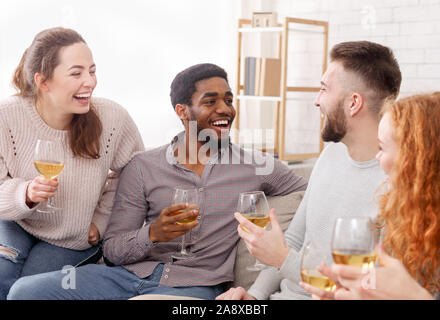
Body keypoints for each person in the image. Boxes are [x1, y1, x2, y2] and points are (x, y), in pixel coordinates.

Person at [7, 63, 308, 300]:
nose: (225, 110)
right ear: (182, 111)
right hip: (126, 277)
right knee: (25, 291)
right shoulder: (143, 166)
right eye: (211, 101)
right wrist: (152, 233)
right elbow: (112, 249)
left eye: (229, 100)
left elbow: (310, 195)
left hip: (195, 286)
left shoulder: (255, 166)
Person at [217, 41, 402, 300]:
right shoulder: (331, 154)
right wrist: (254, 295)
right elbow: (293, 239)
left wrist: (282, 258)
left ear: (353, 103)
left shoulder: (399, 185)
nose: (317, 101)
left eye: (324, 89)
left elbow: (373, 290)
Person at [0, 27, 144, 299]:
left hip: (71, 236)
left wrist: (101, 220)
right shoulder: (6, 116)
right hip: (16, 223)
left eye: (92, 71)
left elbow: (135, 177)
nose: (90, 81)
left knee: (30, 290)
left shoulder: (112, 118)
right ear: (43, 82)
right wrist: (25, 194)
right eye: (76, 73)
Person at [300, 92, 440, 300]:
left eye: (382, 147)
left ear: (416, 158)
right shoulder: (416, 219)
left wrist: (415, 296)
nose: (377, 157)